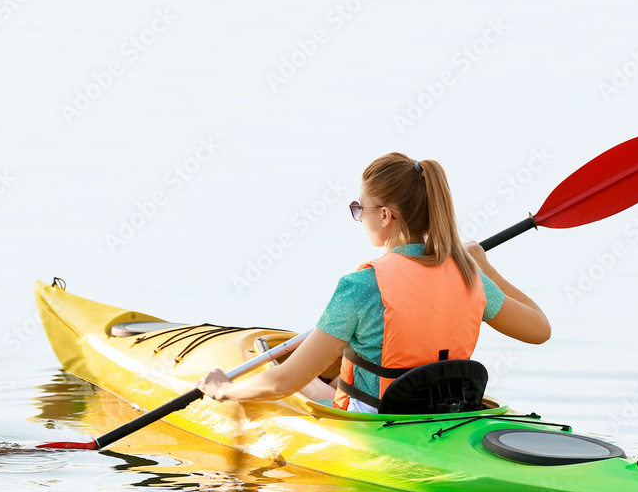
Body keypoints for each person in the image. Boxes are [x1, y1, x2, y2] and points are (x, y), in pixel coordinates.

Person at [196, 153, 550, 412]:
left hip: (377, 422)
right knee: (327, 379)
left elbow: (281, 383)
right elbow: (540, 329)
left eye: (359, 208)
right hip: (444, 415)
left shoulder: (361, 287)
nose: (358, 217)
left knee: (299, 377)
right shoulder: (470, 276)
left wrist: (224, 390)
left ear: (384, 215)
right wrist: (485, 268)